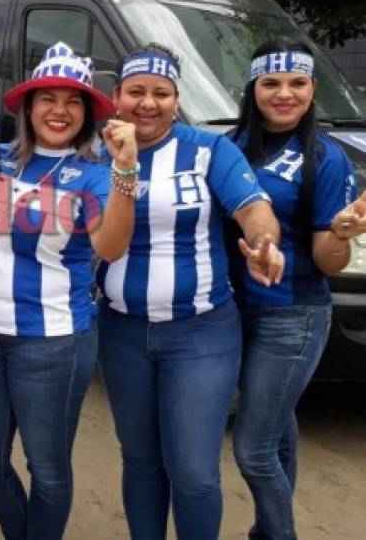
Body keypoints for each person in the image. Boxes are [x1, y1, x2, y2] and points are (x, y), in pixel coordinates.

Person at [95, 43, 285, 540]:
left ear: (176, 99)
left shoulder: (210, 149)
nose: (148, 103)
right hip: (121, 331)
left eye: (162, 93)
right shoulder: (95, 152)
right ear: (116, 97)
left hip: (200, 333)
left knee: (194, 470)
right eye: (136, 91)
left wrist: (264, 243)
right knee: (139, 460)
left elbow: (252, 207)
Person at [0, 42, 137, 540]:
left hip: (55, 340)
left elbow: (112, 244)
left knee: (48, 467)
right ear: (28, 106)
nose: (59, 110)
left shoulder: (97, 173)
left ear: (88, 112)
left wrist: (126, 172)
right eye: (47, 98)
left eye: (73, 100)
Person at [228, 39, 366, 540]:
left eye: (297, 83)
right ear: (253, 87)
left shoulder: (327, 160)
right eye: (271, 83)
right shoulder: (232, 145)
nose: (284, 94)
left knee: (253, 448)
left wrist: (345, 233)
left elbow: (329, 261)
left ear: (313, 88)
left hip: (292, 316)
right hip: (232, 311)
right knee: (276, 430)